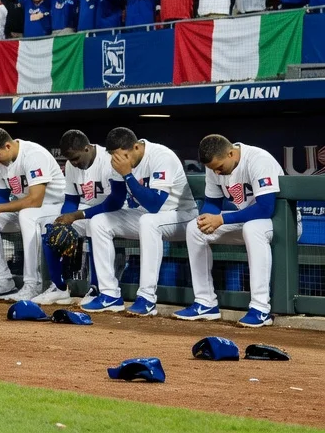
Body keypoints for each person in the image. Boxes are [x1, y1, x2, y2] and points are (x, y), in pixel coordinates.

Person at [82, 127, 197, 317]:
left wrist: (128, 174)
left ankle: (147, 298)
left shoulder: (161, 156)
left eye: (124, 156)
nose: (120, 161)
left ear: (135, 147)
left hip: (181, 216)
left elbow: (154, 204)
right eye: (115, 157)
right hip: (146, 217)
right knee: (99, 222)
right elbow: (116, 200)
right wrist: (82, 214)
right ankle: (109, 294)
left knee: (148, 221)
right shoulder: (119, 160)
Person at [176, 136, 281, 327]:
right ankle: (205, 303)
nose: (216, 171)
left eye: (220, 167)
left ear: (231, 153)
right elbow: (212, 203)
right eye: (212, 168)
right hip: (246, 220)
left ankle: (260, 309)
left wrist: (222, 219)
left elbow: (266, 208)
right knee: (195, 228)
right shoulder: (215, 166)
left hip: (281, 223)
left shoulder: (258, 160)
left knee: (253, 228)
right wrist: (208, 220)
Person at [0, 127, 65, 302]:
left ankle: (33, 284)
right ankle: (4, 281)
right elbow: (0, 196)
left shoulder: (33, 155)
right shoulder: (0, 162)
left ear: (8, 146)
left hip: (55, 207)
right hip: (27, 207)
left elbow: (36, 200)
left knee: (27, 215)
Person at [41, 130, 117, 306]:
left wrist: (76, 216)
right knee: (51, 229)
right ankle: (59, 288)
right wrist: (65, 220)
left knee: (95, 225)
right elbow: (71, 199)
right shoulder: (71, 165)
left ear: (87, 148)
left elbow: (113, 203)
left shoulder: (108, 160)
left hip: (114, 212)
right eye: (70, 160)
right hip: (86, 211)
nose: (73, 164)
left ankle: (96, 288)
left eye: (76, 158)